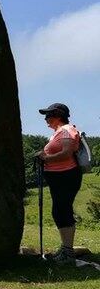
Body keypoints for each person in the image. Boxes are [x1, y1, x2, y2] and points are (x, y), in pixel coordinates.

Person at [36, 103, 83, 264]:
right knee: (60, 211)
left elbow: (66, 153)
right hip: (61, 177)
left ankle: (68, 253)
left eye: (48, 115)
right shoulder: (59, 132)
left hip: (66, 176)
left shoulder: (66, 130)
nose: (46, 119)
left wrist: (45, 158)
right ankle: (66, 249)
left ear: (58, 115)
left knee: (62, 210)